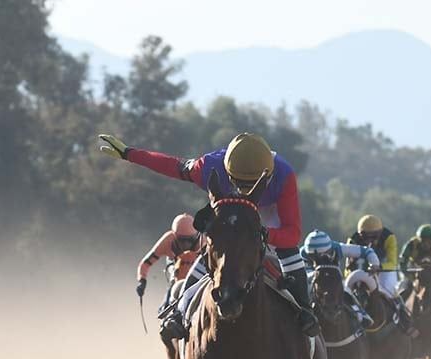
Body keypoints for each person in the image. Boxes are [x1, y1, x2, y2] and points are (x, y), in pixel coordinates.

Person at [99, 131, 317, 336]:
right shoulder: (208, 166)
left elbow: (292, 234)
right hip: (228, 208)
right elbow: (172, 166)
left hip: (267, 211)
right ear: (227, 171)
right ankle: (179, 312)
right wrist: (130, 154)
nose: (244, 191)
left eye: (251, 185)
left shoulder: (284, 176)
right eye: (239, 183)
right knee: (217, 245)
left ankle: (305, 311)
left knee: (288, 250)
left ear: (267, 176)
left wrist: (263, 234)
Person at [346, 214, 415, 334]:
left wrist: (379, 267)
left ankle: (403, 317)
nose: (369, 241)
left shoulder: (389, 237)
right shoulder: (352, 240)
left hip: (383, 269)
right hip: (360, 269)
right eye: (365, 237)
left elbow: (392, 262)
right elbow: (347, 267)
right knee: (343, 291)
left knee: (390, 290)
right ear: (360, 234)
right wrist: (350, 276)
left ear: (380, 233)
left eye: (373, 237)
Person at [301, 230, 378, 328]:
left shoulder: (337, 247)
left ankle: (361, 313)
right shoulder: (302, 254)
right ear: (309, 254)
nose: (323, 258)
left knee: (346, 291)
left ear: (330, 249)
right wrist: (317, 273)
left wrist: (374, 263)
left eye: (326, 254)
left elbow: (366, 251)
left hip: (334, 281)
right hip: (315, 282)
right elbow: (305, 276)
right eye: (316, 256)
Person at [136, 213, 204, 311]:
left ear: (196, 236)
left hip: (197, 266)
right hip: (174, 264)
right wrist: (142, 281)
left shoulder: (203, 242)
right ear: (174, 236)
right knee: (174, 282)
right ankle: (167, 308)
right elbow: (145, 264)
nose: (186, 244)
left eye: (190, 240)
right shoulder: (168, 241)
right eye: (182, 240)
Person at [398, 224, 431, 300]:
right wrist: (409, 275)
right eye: (424, 241)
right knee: (403, 285)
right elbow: (402, 262)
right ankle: (398, 303)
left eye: (429, 242)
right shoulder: (411, 245)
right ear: (419, 239)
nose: (426, 244)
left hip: (429, 270)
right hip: (412, 268)